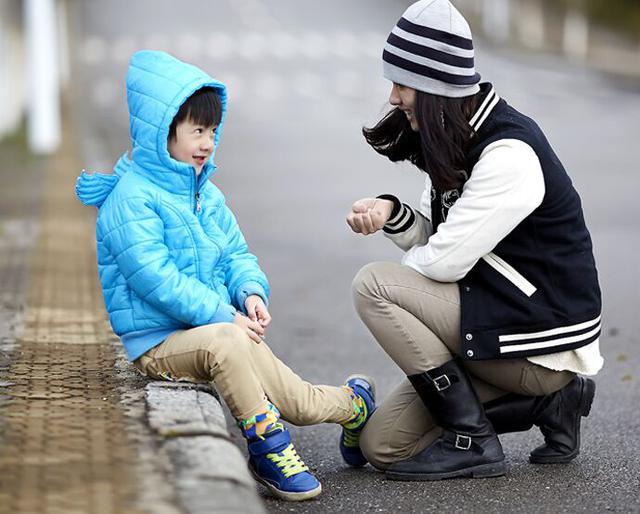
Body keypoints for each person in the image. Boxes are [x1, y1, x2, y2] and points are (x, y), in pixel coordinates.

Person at [75, 50, 376, 501]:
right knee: (230, 342)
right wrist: (223, 314)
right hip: (161, 342)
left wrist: (249, 292)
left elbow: (235, 253)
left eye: (212, 131)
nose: (207, 142)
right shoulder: (131, 200)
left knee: (296, 398)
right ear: (162, 132)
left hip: (216, 327)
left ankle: (354, 405)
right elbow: (154, 278)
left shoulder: (205, 194)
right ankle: (268, 450)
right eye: (197, 130)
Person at [346, 0, 602, 481]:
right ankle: (551, 403)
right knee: (383, 446)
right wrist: (393, 214)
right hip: (492, 318)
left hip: (533, 340)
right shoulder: (458, 133)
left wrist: (412, 292)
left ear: (432, 87)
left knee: (374, 285)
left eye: (401, 84)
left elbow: (442, 265)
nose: (394, 97)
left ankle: (475, 441)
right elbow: (444, 242)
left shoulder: (508, 151)